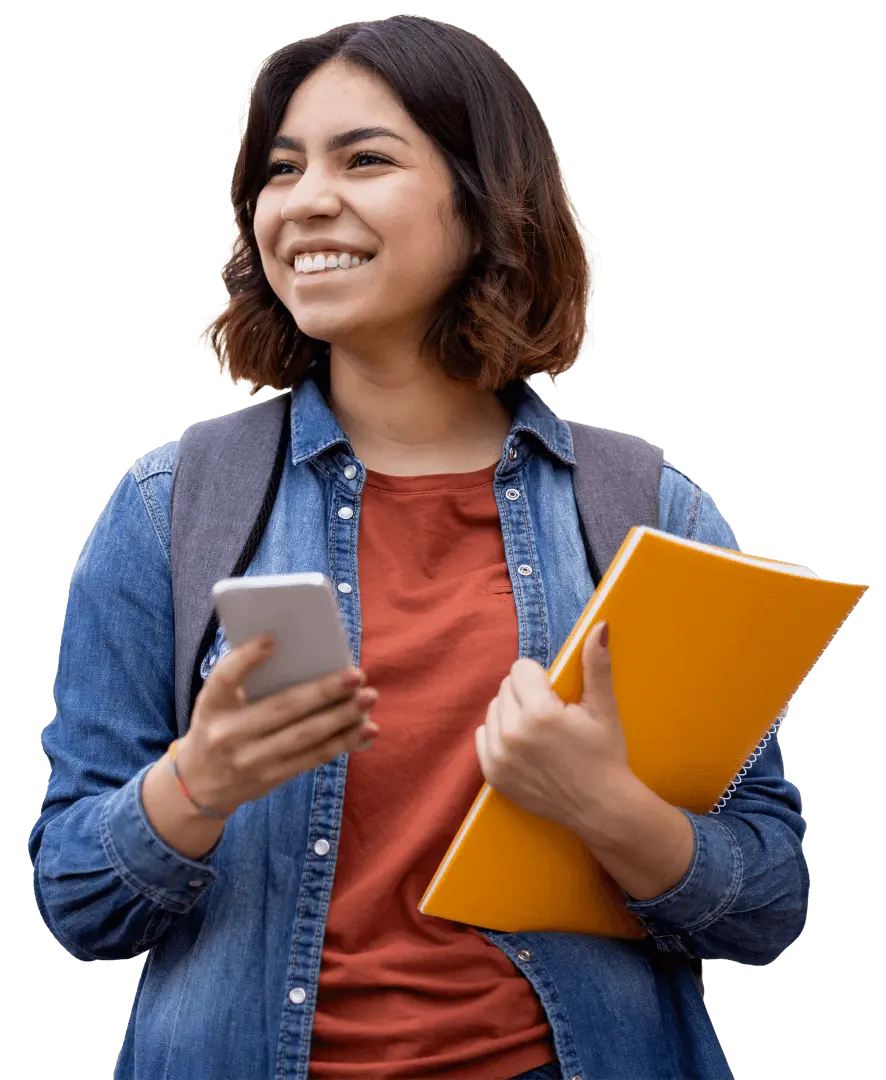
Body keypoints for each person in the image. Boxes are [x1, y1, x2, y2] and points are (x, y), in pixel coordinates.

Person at [29, 16, 808, 1080]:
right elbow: (76, 900)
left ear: (486, 199)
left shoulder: (644, 512)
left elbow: (764, 905)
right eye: (280, 169)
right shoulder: (173, 506)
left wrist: (605, 809)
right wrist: (197, 783)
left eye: (366, 160)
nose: (305, 200)